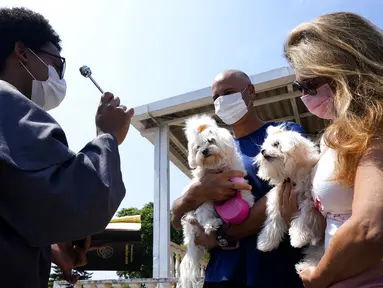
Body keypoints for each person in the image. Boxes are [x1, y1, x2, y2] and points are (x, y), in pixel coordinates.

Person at [0, 7, 133, 287]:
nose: (60, 77)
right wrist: (107, 136)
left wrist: (49, 248)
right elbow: (73, 201)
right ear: (23, 52)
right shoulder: (5, 102)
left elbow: (17, 206)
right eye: (57, 64)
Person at [172, 69, 306, 288]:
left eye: (229, 92)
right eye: (216, 97)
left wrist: (222, 237)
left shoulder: (282, 133)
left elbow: (289, 186)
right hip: (222, 274)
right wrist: (194, 195)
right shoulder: (213, 149)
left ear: (250, 92)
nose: (221, 101)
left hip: (275, 269)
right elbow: (177, 220)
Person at [284, 12, 383, 288]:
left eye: (308, 85)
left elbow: (370, 229)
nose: (304, 96)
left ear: (343, 68)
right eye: (298, 87)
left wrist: (320, 277)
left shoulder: (376, 125)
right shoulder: (335, 135)